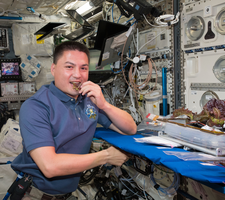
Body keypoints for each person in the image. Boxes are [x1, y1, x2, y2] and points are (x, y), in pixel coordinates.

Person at [10, 41, 137, 200]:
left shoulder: (89, 101)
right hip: (36, 194)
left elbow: (130, 128)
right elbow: (50, 166)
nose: (78, 75)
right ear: (53, 69)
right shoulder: (36, 107)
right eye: (69, 67)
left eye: (83, 68)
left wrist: (104, 105)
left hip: (67, 193)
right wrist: (105, 157)